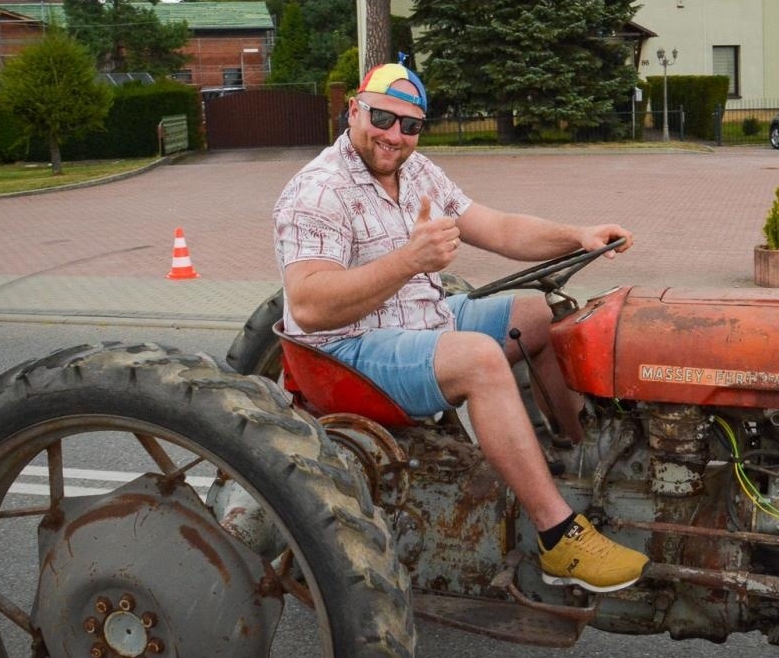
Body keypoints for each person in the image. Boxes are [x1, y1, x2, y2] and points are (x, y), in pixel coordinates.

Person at [273, 62, 649, 593]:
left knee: (538, 316)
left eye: (410, 125)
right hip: (346, 350)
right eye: (383, 118)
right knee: (479, 358)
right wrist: (410, 260)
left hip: (423, 317)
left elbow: (496, 227)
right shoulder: (319, 191)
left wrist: (578, 235)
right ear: (354, 110)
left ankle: (578, 458)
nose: (395, 136)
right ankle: (558, 535)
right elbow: (308, 306)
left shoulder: (418, 170)